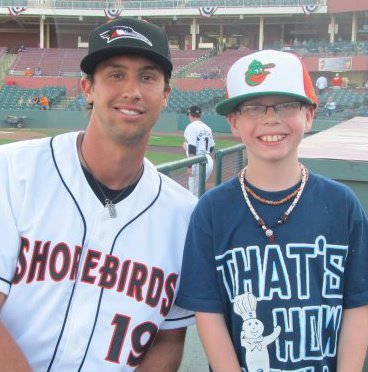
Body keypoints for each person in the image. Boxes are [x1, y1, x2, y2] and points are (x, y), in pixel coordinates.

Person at [0, 17, 197, 371]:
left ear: (167, 94)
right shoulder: (13, 172)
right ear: (87, 88)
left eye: (148, 77)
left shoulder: (185, 215)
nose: (133, 91)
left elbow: (168, 339)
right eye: (115, 74)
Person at [176, 50, 368, 371]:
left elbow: (357, 305)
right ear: (234, 122)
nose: (270, 118)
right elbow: (210, 314)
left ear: (309, 115)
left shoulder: (342, 205)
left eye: (287, 105)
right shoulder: (212, 210)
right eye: (253, 108)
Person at [183, 105, 215, 197]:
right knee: (200, 189)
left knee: (193, 193)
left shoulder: (191, 127)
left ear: (189, 114)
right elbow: (211, 148)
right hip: (208, 161)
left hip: (197, 162)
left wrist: (190, 166)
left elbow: (192, 147)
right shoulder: (207, 127)